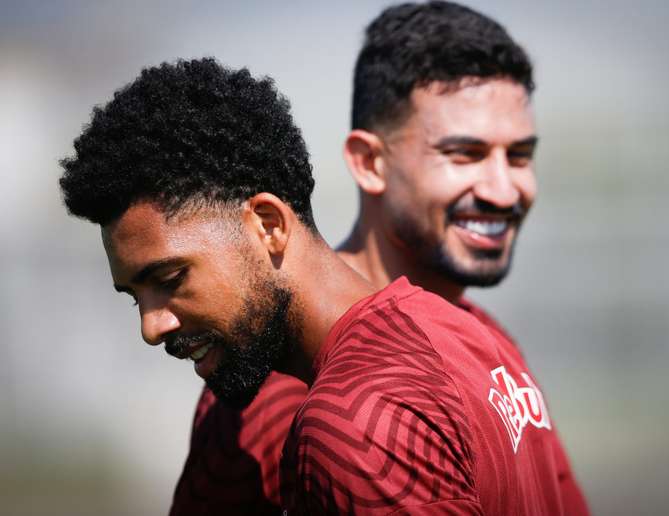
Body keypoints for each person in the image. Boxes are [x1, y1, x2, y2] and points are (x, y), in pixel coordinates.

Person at [170, 2, 589, 515]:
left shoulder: (482, 339)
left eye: (519, 156)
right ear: (369, 163)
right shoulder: (273, 384)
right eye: (465, 155)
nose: (504, 190)